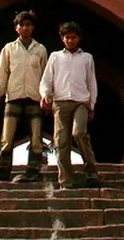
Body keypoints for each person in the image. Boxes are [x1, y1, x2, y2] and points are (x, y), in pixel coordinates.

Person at [40, 21, 100, 189]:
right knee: (61, 142)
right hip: (60, 102)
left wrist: (92, 104)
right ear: (62, 39)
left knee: (79, 132)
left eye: (73, 38)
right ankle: (66, 180)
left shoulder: (87, 58)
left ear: (78, 38)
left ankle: (91, 169)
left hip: (81, 101)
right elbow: (46, 80)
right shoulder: (55, 57)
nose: (70, 41)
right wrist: (45, 95)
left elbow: (91, 82)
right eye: (67, 38)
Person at [0, 10, 49, 182]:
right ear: (16, 28)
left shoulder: (40, 49)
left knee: (36, 138)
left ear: (33, 28)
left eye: (28, 25)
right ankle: (2, 171)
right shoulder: (9, 49)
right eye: (22, 25)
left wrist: (47, 98)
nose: (25, 28)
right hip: (14, 97)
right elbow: (2, 73)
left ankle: (33, 170)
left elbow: (45, 76)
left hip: (34, 97)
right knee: (7, 137)